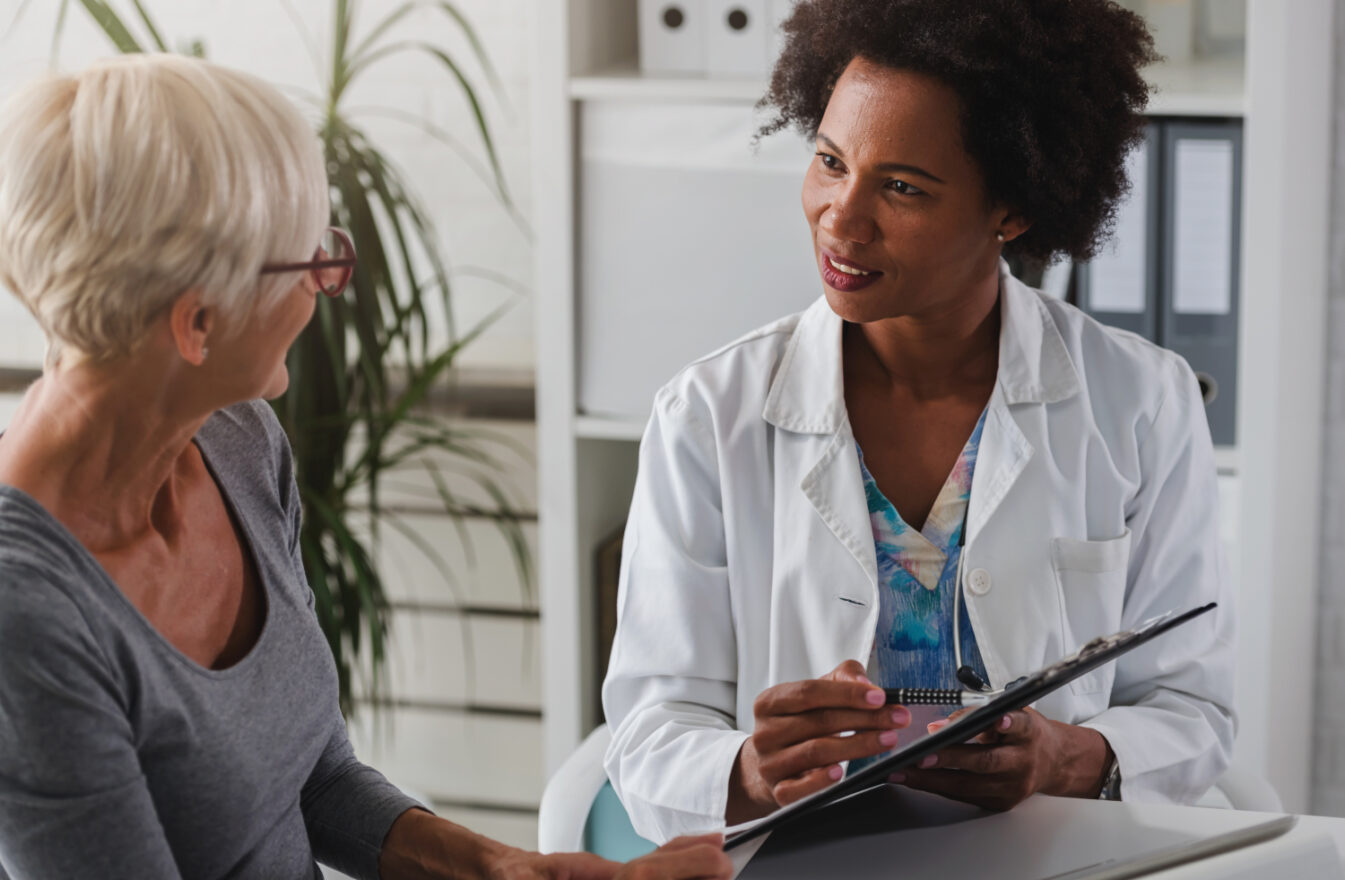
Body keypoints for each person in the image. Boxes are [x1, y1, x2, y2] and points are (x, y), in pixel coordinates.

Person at [0, 54, 732, 880]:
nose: (327, 284)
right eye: (306, 261)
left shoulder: (237, 440)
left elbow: (311, 780)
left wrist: (511, 870)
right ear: (197, 324)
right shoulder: (24, 614)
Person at [602, 0, 1235, 844]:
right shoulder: (706, 415)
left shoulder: (1141, 402)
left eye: (901, 187)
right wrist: (750, 770)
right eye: (830, 162)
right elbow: (647, 732)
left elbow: (1193, 707)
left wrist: (1064, 757)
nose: (841, 216)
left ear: (1010, 208)